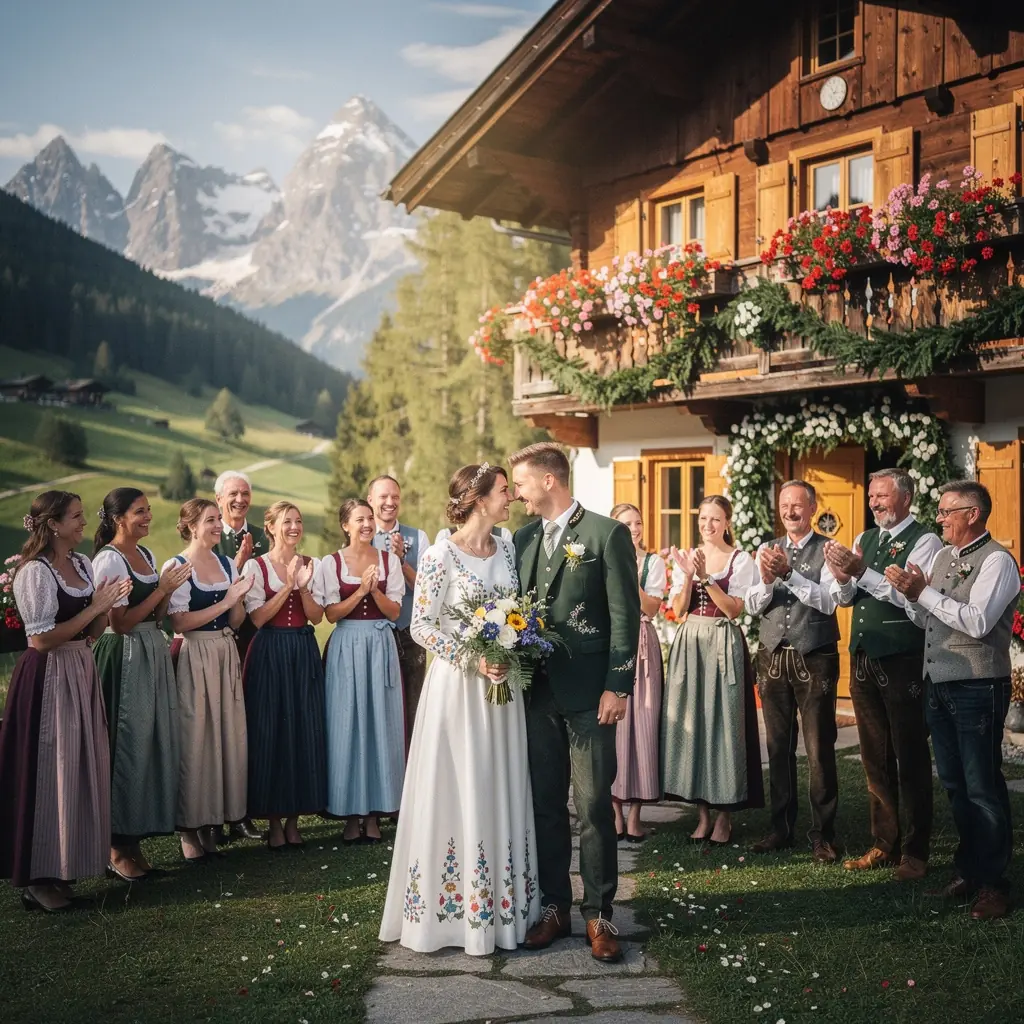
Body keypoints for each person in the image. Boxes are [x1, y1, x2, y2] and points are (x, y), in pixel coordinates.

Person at [380, 464, 539, 954]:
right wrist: (475, 658)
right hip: (458, 690)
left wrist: (510, 647)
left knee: (498, 781)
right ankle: (451, 914)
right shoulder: (438, 555)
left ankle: (505, 907)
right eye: (502, 491)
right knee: (459, 784)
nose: (509, 497)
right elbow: (421, 627)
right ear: (476, 498)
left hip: (504, 690)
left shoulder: (508, 545)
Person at [509, 442, 641, 964]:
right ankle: (554, 907)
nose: (516, 493)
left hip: (591, 694)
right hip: (535, 693)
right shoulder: (521, 539)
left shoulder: (606, 534)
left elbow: (625, 617)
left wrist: (619, 685)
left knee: (591, 807)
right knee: (544, 805)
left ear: (548, 481)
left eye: (520, 483)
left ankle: (600, 914)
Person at [886, 480, 1020, 920]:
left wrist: (923, 593)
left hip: (979, 685)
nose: (939, 518)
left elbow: (978, 622)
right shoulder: (945, 557)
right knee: (956, 784)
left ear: (972, 514)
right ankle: (969, 870)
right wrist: (911, 595)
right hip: (940, 684)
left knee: (982, 786)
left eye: (946, 511)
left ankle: (994, 884)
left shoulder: (998, 560)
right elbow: (928, 615)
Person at [0, 490, 130, 912]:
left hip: (80, 669)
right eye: (75, 517)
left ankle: (62, 868)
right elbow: (39, 640)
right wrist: (93, 606)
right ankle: (37, 880)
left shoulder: (80, 563)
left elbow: (89, 632)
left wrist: (104, 609)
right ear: (53, 524)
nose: (82, 523)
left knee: (77, 767)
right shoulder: (34, 573)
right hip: (48, 678)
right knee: (49, 770)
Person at [823, 468, 943, 882]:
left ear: (905, 499)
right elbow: (846, 598)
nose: (874, 503)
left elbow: (914, 599)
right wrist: (842, 579)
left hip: (902, 658)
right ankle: (883, 843)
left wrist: (861, 572)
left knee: (909, 755)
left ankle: (916, 851)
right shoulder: (864, 539)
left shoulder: (925, 541)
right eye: (872, 497)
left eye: (882, 497)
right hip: (863, 659)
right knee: (874, 755)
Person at [91, 487, 191, 881]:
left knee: (151, 742)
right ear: (118, 519)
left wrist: (169, 592)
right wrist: (162, 591)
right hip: (125, 657)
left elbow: (157, 614)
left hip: (151, 649)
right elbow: (119, 623)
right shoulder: (108, 560)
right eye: (140, 512)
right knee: (127, 744)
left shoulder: (146, 556)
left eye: (149, 510)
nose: (148, 517)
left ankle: (134, 841)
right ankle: (117, 847)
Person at [744, 480, 842, 864]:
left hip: (814, 654)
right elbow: (753, 604)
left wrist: (792, 575)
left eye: (797, 505)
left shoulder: (828, 549)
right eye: (784, 505)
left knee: (819, 747)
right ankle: (781, 828)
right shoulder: (766, 549)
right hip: (772, 655)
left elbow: (830, 602)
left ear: (812, 507)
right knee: (778, 747)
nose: (790, 511)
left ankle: (822, 834)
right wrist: (768, 580)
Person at [663, 495, 763, 846]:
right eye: (703, 518)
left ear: (727, 523)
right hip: (690, 642)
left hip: (721, 640)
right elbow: (676, 609)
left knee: (724, 724)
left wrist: (706, 578)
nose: (708, 525)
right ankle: (702, 815)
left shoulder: (741, 560)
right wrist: (688, 575)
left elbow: (734, 610)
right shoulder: (687, 558)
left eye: (715, 519)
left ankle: (724, 816)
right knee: (695, 724)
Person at [164, 498, 253, 863]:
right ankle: (188, 827)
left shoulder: (226, 562)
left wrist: (239, 599)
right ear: (191, 525)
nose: (219, 525)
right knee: (196, 737)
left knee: (224, 737)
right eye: (211, 520)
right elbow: (180, 623)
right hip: (195, 653)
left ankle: (211, 823)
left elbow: (234, 622)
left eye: (218, 520)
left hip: (223, 652)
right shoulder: (178, 566)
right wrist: (227, 598)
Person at [240, 501, 328, 851]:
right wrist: (288, 584)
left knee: (303, 728)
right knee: (271, 729)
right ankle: (274, 820)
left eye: (298, 521)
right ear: (271, 527)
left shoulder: (313, 564)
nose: (294, 527)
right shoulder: (255, 566)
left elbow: (317, 617)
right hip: (270, 651)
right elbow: (258, 618)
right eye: (286, 521)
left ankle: (294, 821)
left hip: (302, 650)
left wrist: (303, 587)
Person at [319, 499, 405, 844]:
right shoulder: (331, 563)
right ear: (346, 525)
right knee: (348, 724)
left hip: (379, 644)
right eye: (360, 519)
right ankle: (350, 813)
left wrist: (375, 591)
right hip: (347, 645)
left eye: (370, 518)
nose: (367, 524)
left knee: (380, 724)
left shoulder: (389, 561)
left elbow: (395, 612)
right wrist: (361, 592)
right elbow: (331, 614)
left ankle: (375, 813)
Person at [608, 502, 667, 843]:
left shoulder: (652, 563)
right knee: (615, 729)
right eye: (626, 523)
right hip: (614, 644)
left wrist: (628, 572)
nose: (634, 528)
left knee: (643, 724)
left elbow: (652, 607)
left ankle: (635, 815)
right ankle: (614, 812)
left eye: (638, 522)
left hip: (643, 643)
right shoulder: (603, 557)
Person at [212, 469, 266, 842]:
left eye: (245, 493)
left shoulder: (264, 536)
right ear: (218, 500)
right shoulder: (209, 537)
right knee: (216, 727)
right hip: (215, 639)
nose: (239, 500)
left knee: (248, 725)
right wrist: (237, 562)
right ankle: (214, 811)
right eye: (232, 494)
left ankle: (244, 812)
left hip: (254, 642)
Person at [368, 476, 430, 748]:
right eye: (383, 497)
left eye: (395, 497)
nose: (390, 502)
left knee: (412, 706)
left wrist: (403, 561)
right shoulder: (361, 537)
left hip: (408, 634)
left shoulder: (419, 537)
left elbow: (426, 589)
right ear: (370, 500)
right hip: (373, 634)